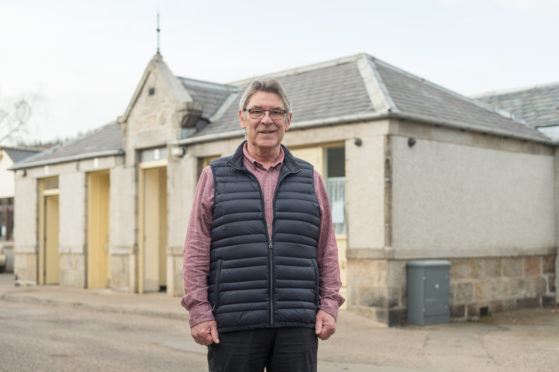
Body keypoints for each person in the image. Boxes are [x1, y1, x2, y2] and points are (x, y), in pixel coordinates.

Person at [181, 78, 345, 372]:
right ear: (242, 118)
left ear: (288, 120)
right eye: (257, 111)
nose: (266, 120)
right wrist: (199, 310)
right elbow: (196, 248)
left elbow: (327, 250)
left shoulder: (310, 178)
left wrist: (329, 305)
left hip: (297, 324)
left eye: (276, 112)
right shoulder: (214, 176)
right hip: (234, 323)